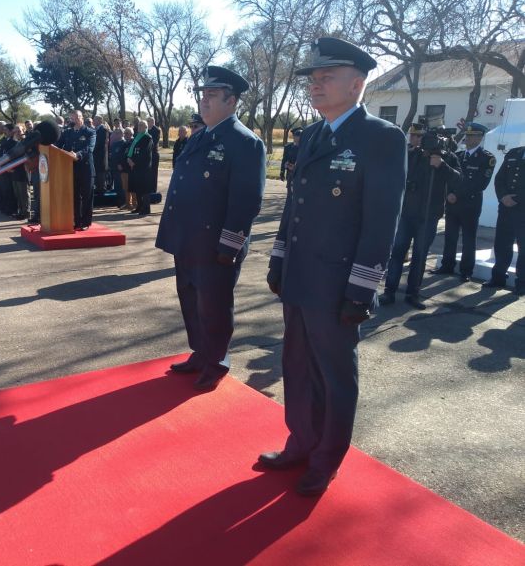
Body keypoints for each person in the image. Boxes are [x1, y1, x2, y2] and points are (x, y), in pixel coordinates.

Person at [262, 38, 406, 496]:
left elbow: (382, 221)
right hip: (302, 275)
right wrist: (279, 258)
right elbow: (294, 207)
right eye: (313, 78)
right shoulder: (313, 135)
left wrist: (361, 290)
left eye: (327, 77)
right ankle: (301, 442)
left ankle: (326, 460)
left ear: (358, 83)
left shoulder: (381, 138)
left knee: (335, 374)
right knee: (298, 366)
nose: (315, 84)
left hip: (339, 283)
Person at [156, 65, 266, 392]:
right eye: (203, 95)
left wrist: (229, 246)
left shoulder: (245, 142)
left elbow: (246, 201)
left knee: (214, 305)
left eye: (212, 96)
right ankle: (200, 352)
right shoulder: (201, 136)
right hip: (187, 239)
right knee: (190, 299)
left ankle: (217, 361)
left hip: (215, 244)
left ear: (231, 102)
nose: (204, 102)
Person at [380, 124, 460, 309]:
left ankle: (413, 293)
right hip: (407, 214)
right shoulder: (412, 155)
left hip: (429, 216)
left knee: (420, 255)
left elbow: (459, 180)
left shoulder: (448, 158)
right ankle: (389, 291)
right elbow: (396, 176)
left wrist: (442, 166)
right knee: (397, 252)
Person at [432, 123, 496, 282]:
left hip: (470, 204)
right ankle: (447, 265)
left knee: (468, 239)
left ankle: (466, 270)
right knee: (450, 236)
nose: (467, 138)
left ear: (479, 138)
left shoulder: (487, 158)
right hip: (453, 203)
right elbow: (448, 177)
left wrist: (456, 195)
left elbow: (480, 184)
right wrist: (449, 194)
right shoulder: (458, 156)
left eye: (471, 135)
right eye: (466, 135)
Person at [482, 145, 525, 295]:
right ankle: (498, 277)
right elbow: (499, 178)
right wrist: (503, 196)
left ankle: (522, 283)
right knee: (502, 243)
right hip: (506, 208)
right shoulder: (515, 152)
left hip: (523, 209)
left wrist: (517, 199)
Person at [61, 110, 96, 230]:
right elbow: (61, 146)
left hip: (86, 169)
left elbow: (89, 148)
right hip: (72, 169)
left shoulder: (90, 132)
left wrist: (77, 154)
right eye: (72, 118)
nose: (75, 120)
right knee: (75, 196)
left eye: (77, 118)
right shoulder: (67, 132)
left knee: (87, 196)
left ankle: (86, 222)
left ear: (82, 118)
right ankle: (77, 221)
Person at [126, 119, 153, 216]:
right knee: (137, 188)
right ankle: (139, 206)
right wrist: (129, 159)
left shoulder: (148, 138)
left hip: (143, 167)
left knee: (144, 189)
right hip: (135, 167)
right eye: (139, 125)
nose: (140, 127)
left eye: (142, 126)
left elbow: (144, 153)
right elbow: (132, 150)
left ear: (146, 127)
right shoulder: (137, 137)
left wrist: (134, 162)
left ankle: (146, 209)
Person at [93, 115, 110, 192]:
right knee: (97, 171)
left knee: (101, 172)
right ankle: (98, 188)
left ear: (100, 120)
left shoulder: (103, 129)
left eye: (95, 120)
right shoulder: (96, 129)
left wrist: (92, 148)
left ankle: (102, 189)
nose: (93, 121)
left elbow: (100, 142)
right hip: (96, 155)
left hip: (101, 154)